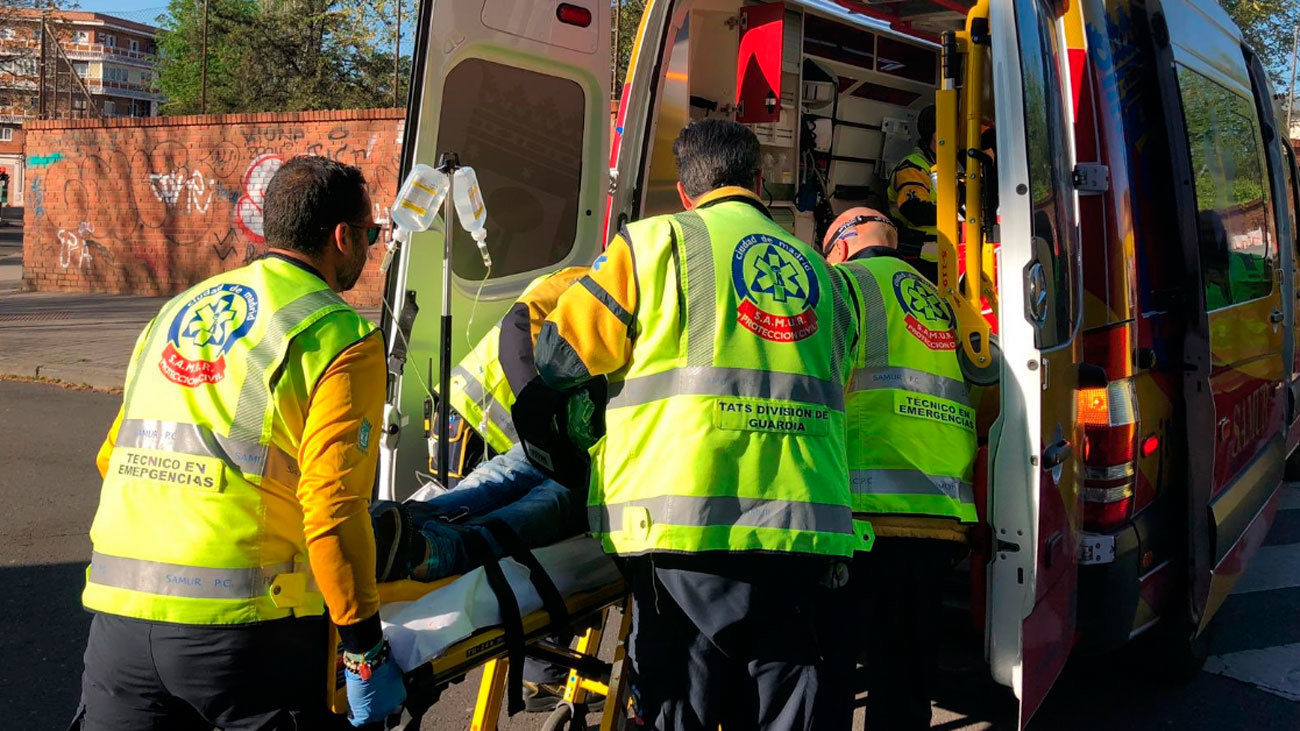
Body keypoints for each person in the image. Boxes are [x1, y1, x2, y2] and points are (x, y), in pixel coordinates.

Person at [532, 118, 863, 730]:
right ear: (760, 182)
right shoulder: (828, 279)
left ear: (685, 192)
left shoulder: (651, 244)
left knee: (678, 708)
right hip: (801, 529)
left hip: (682, 530)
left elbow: (558, 360)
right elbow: (836, 387)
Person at [74, 156, 403, 730]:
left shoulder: (176, 312)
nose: (370, 247)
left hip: (118, 622)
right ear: (342, 237)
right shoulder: (338, 334)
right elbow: (332, 510)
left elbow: (114, 456)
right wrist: (363, 645)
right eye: (371, 234)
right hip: (246, 634)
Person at [371, 265, 593, 712]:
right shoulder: (598, 284)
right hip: (535, 437)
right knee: (521, 501)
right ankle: (415, 540)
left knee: (505, 492)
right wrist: (539, 414)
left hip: (553, 443)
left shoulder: (592, 280)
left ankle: (404, 530)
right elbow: (518, 329)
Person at [822, 207, 979, 730]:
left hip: (867, 511)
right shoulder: (939, 301)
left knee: (834, 663)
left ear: (840, 247)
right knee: (907, 668)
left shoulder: (844, 284)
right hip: (940, 509)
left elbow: (822, 381)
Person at [886, 104, 941, 279]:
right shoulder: (913, 166)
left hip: (944, 261)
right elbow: (914, 211)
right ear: (936, 134)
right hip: (919, 262)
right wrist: (959, 213)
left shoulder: (949, 168)